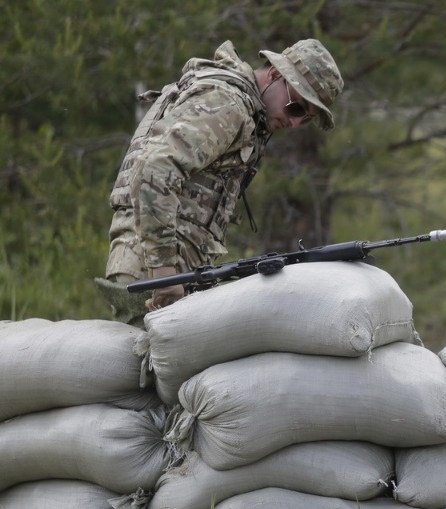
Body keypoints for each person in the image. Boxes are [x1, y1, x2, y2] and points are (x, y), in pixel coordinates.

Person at [96, 38, 343, 326]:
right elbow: (155, 168)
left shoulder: (242, 109)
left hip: (166, 267)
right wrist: (163, 271)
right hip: (151, 270)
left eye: (306, 118)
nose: (295, 123)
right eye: (296, 108)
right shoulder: (229, 105)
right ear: (276, 74)